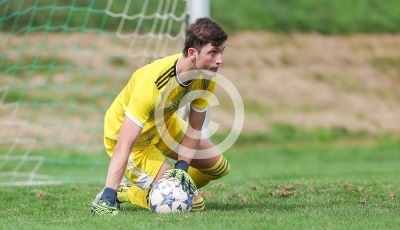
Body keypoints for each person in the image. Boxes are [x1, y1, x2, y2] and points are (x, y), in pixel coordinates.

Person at [90, 17, 230, 216]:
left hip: (163, 125)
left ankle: (164, 187)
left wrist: (181, 168)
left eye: (222, 51)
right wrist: (108, 195)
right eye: (213, 52)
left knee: (218, 167)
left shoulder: (206, 78)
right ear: (192, 53)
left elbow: (195, 129)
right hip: (130, 140)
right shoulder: (153, 83)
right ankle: (124, 192)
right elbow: (125, 143)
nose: (220, 60)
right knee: (188, 203)